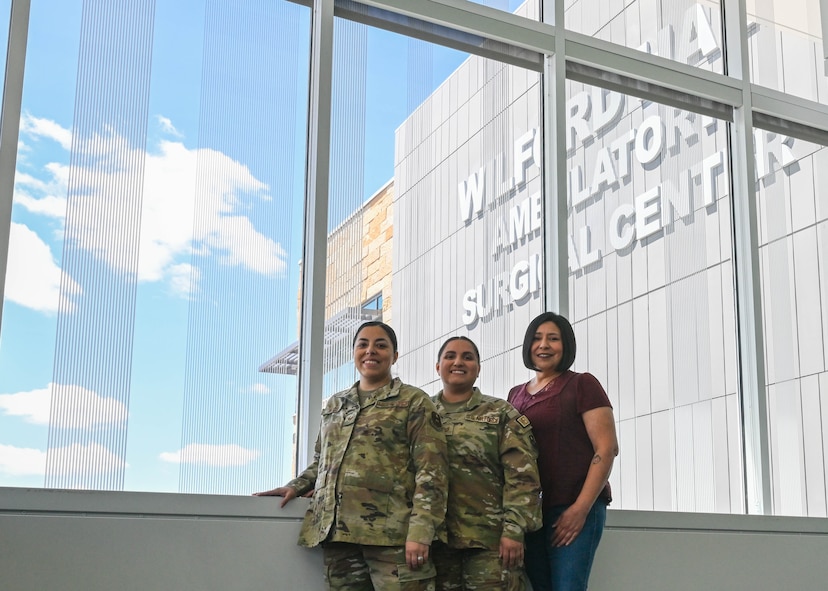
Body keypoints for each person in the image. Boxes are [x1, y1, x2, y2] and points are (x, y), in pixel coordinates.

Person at [254, 321, 449, 591]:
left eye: (381, 345)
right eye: (363, 344)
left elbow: (432, 473)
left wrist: (421, 533)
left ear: (394, 355)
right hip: (339, 537)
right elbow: (322, 464)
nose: (371, 351)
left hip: (395, 539)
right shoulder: (336, 404)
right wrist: (295, 486)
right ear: (354, 353)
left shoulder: (414, 401)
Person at [507, 312, 618, 591]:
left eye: (553, 339)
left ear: (565, 345)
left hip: (572, 508)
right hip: (531, 515)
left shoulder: (582, 384)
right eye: (537, 338)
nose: (544, 345)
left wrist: (580, 509)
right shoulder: (515, 394)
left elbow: (606, 447)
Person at [430, 336, 542, 591]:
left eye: (468, 357)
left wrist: (514, 530)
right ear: (438, 367)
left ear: (478, 368)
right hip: (437, 543)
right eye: (450, 356)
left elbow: (522, 478)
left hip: (490, 543)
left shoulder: (501, 414)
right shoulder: (422, 413)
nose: (458, 362)